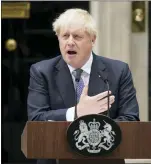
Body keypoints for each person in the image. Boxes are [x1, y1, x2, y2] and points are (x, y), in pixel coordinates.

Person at [27, 8, 139, 164]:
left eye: (77, 36)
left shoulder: (118, 71)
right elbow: (36, 119)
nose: (70, 42)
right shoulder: (42, 72)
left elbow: (131, 120)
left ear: (92, 40)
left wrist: (94, 129)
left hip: (105, 159)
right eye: (65, 36)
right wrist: (76, 112)